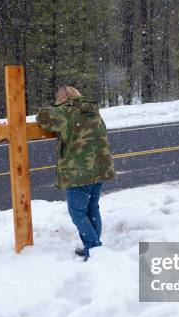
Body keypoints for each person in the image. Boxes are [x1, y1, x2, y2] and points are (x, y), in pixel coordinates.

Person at [37, 86, 116, 261]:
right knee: (92, 208)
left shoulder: (66, 112)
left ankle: (94, 248)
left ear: (62, 99)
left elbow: (42, 117)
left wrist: (55, 108)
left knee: (77, 212)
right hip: (99, 168)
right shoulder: (93, 110)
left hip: (79, 171)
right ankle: (92, 245)